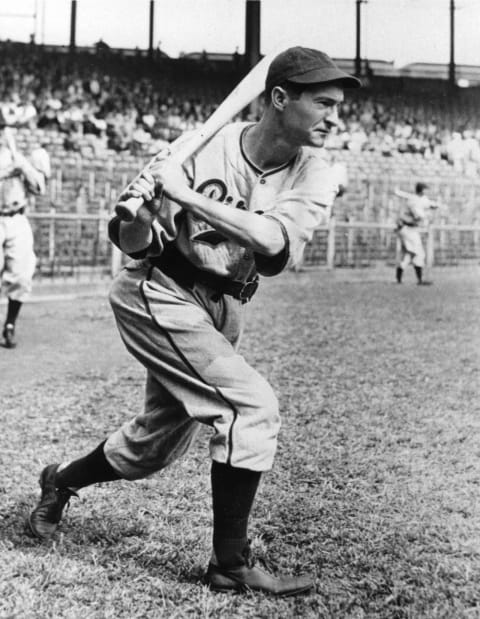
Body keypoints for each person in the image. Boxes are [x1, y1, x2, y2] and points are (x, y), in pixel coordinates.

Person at [28, 47, 361, 595]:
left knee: (152, 446)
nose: (334, 115)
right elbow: (131, 241)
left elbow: (274, 241)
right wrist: (139, 213)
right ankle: (229, 564)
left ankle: (60, 483)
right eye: (323, 102)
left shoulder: (318, 172)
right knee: (250, 406)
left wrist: (182, 194)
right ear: (279, 99)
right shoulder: (199, 147)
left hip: (224, 306)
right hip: (158, 289)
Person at [0, 124, 46, 348]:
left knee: (21, 274)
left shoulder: (16, 154)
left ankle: (9, 325)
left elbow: (39, 187)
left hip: (16, 217)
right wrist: (7, 171)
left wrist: (23, 166)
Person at [394, 182, 443, 285]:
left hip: (409, 229)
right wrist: (427, 215)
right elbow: (418, 215)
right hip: (407, 229)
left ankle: (400, 278)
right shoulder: (413, 201)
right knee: (419, 253)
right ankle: (420, 280)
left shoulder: (420, 199)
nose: (427, 192)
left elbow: (427, 203)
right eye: (425, 190)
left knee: (410, 254)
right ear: (422, 190)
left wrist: (435, 205)